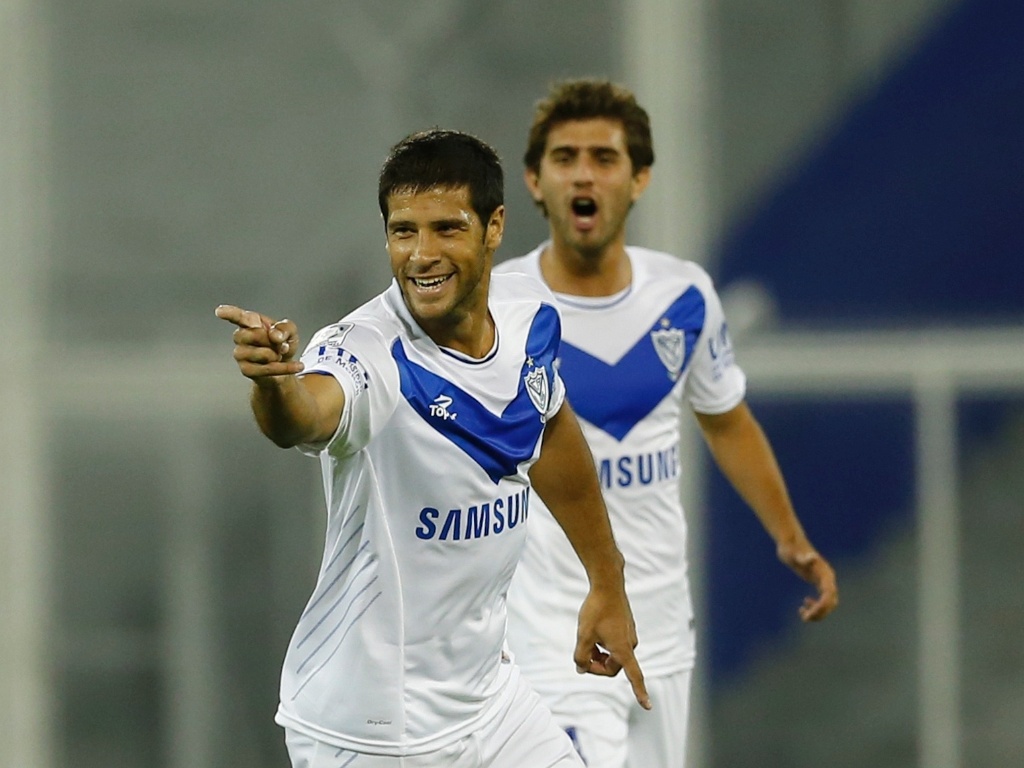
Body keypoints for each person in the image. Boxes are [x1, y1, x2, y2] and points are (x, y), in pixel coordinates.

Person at [215, 128, 650, 768]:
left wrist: (607, 581)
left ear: (493, 226)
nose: (421, 254)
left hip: (488, 704)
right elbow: (305, 417)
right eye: (402, 231)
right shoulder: (367, 348)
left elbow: (551, 431)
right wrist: (276, 384)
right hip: (370, 729)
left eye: (446, 228)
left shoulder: (530, 325)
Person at [495, 79, 839, 768]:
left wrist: (789, 536)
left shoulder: (682, 295)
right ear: (535, 181)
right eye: (565, 157)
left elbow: (726, 420)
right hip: (550, 635)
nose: (584, 172)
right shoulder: (499, 303)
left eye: (604, 156)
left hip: (661, 626)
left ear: (639, 177)